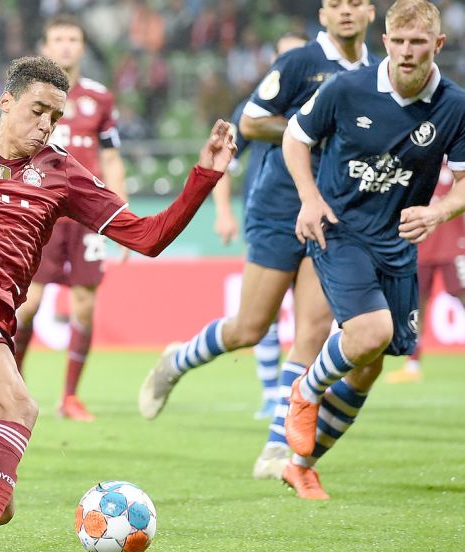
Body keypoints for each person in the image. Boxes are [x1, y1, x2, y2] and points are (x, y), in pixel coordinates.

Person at [0, 56, 235, 552]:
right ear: (6, 101)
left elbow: (146, 237)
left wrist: (204, 175)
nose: (46, 125)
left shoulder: (62, 173)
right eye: (37, 110)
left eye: (56, 117)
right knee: (21, 404)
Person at [138, 0, 377, 488]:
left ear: (372, 12)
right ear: (323, 14)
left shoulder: (380, 73)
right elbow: (249, 123)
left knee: (313, 329)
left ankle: (275, 446)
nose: (347, 12)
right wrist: (318, 132)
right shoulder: (299, 64)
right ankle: (177, 360)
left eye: (356, 3)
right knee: (250, 327)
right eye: (336, 4)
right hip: (277, 209)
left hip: (334, 215)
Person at [283, 0, 465, 500]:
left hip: (398, 244)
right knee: (370, 332)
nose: (407, 52)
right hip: (340, 230)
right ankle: (305, 389)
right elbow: (295, 139)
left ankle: (300, 464)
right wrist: (309, 197)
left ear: (438, 45)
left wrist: (438, 212)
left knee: (370, 364)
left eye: (418, 43)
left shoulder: (455, 105)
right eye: (399, 41)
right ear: (386, 41)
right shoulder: (346, 88)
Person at [11, 15, 128, 421]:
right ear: (45, 46)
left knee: (84, 304)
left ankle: (71, 397)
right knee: (28, 305)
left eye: (72, 39)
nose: (65, 46)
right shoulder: (27, 96)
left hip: (86, 217)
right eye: (58, 39)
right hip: (40, 212)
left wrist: (120, 214)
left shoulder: (100, 98)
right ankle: (14, 384)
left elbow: (111, 158)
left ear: (81, 46)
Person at [211, 32, 308, 420]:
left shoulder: (331, 102)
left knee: (314, 315)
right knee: (262, 313)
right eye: (284, 57)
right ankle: (272, 391)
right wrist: (223, 211)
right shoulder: (253, 110)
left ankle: (300, 394)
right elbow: (225, 163)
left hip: (321, 216)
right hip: (269, 216)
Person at [385, 161, 465, 383]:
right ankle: (412, 365)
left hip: (454, 243)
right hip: (421, 245)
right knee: (416, 308)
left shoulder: (457, 156)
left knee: (463, 295)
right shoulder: (420, 158)